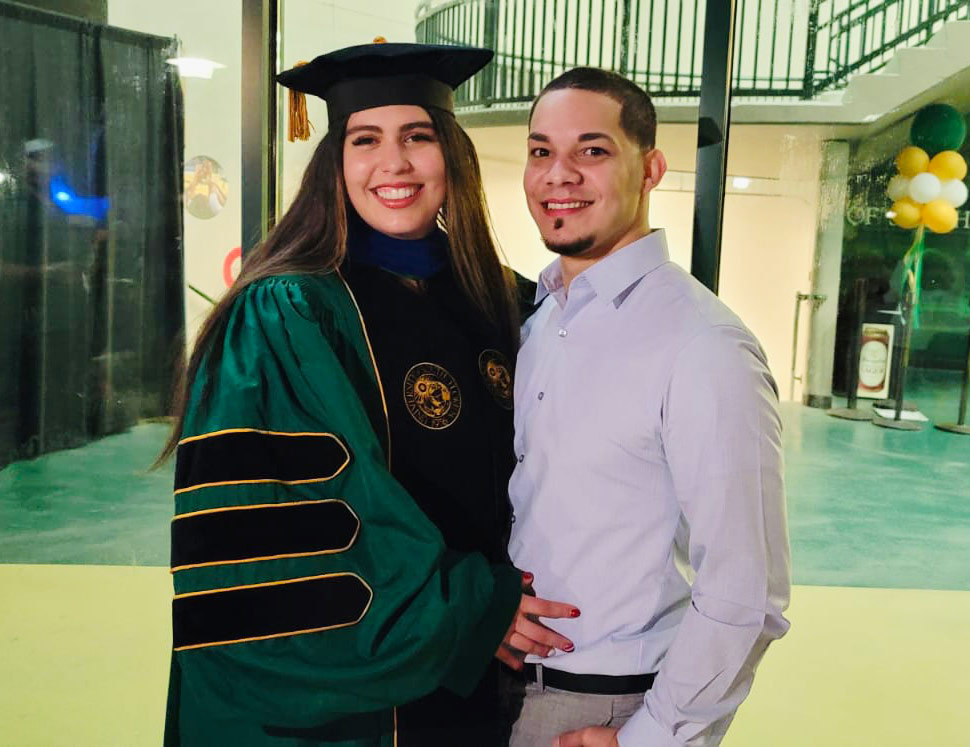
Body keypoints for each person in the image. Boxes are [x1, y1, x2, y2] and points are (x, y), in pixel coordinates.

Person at [160, 42, 578, 747]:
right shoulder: (287, 314)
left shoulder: (505, 303)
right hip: (352, 707)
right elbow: (287, 522)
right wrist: (468, 607)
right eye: (365, 140)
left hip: (490, 680)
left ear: (453, 155)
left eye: (417, 137)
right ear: (335, 163)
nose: (394, 163)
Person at [503, 67, 791, 746]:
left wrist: (653, 736)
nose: (559, 174)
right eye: (542, 151)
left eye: (592, 150)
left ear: (651, 169)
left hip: (604, 708)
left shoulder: (702, 344)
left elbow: (746, 589)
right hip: (509, 688)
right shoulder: (540, 319)